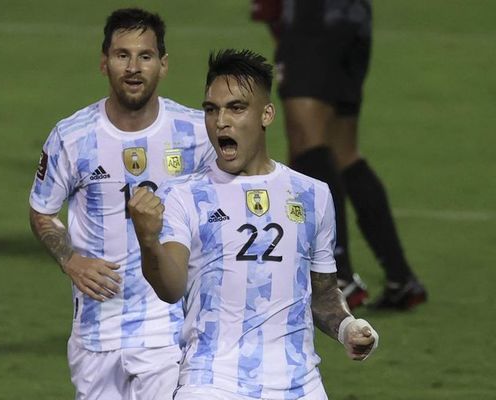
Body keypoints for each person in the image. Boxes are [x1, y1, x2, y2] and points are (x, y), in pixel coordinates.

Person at [129, 49, 378, 400]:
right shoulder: (185, 196)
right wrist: (148, 240)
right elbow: (170, 287)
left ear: (266, 114)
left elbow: (322, 296)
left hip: (299, 385)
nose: (220, 121)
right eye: (211, 109)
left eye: (236, 107)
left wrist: (349, 327)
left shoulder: (312, 195)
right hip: (211, 383)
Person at [28, 8, 216, 400]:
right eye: (122, 55)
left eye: (145, 56)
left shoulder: (197, 134)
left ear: (163, 65)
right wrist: (71, 260)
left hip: (169, 331)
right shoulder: (72, 136)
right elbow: (42, 211)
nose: (133, 67)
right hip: (97, 331)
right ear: (104, 62)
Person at [251, 0, 427, 309]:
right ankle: (401, 279)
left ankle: (338, 279)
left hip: (315, 19)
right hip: (352, 17)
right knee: (342, 151)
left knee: (308, 142)